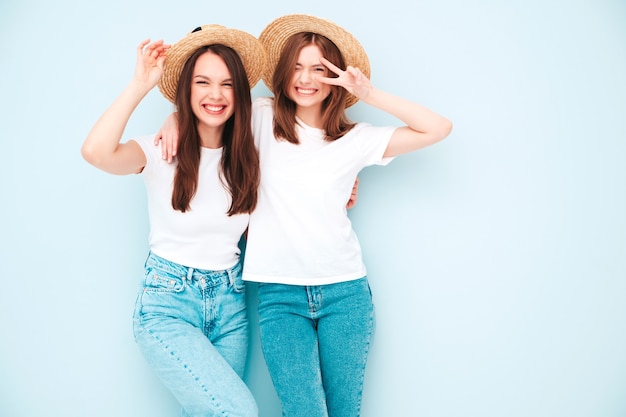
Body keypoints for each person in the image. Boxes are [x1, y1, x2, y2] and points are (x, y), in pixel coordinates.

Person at [158, 14, 452, 417]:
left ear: (335, 78)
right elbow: (210, 111)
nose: (306, 78)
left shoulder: (356, 139)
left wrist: (367, 93)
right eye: (297, 66)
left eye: (318, 69)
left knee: (344, 411)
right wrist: (172, 117)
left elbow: (437, 128)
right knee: (304, 411)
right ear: (283, 73)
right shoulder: (259, 118)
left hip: (345, 293)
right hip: (281, 297)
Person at [80, 24, 267, 417]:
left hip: (231, 306)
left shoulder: (251, 155)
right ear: (187, 89)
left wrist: (346, 186)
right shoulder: (161, 150)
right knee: (238, 411)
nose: (215, 95)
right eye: (202, 82)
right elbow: (96, 152)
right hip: (168, 305)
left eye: (227, 84)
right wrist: (140, 85)